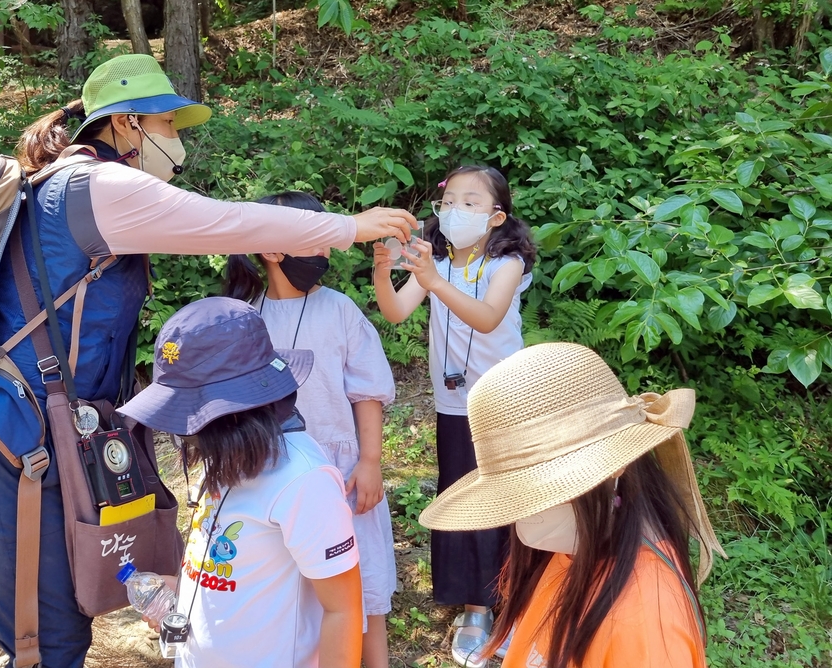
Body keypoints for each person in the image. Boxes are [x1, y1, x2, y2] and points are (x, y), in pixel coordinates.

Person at [0, 54, 416, 668]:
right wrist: (346, 226)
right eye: (168, 125)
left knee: (61, 627)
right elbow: (225, 222)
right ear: (128, 124)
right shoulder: (96, 187)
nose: (177, 144)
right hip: (9, 443)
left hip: (34, 434)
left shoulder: (61, 188)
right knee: (45, 642)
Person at [418, 342, 726, 667]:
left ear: (608, 470)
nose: (510, 514)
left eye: (526, 490)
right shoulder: (572, 551)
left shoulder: (643, 623)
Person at [118, 297, 364, 668]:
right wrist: (183, 591)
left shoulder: (304, 480)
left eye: (192, 417)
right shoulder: (223, 460)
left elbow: (342, 610)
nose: (187, 435)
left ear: (233, 414)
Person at [225, 191, 398, 668]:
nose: (325, 247)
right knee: (300, 596)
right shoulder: (244, 316)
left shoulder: (339, 309)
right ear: (272, 250)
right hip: (271, 479)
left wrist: (369, 462)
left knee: (363, 593)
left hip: (342, 476)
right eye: (314, 236)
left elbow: (368, 391)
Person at [373, 165, 536, 667]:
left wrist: (432, 281)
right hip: (454, 405)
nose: (457, 211)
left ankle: (519, 601)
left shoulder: (505, 263)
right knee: (463, 497)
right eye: (451, 202)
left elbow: (487, 317)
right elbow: (396, 312)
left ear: (496, 217)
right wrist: (384, 269)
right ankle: (476, 607)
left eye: (472, 202)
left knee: (509, 499)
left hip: (503, 402)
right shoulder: (435, 262)